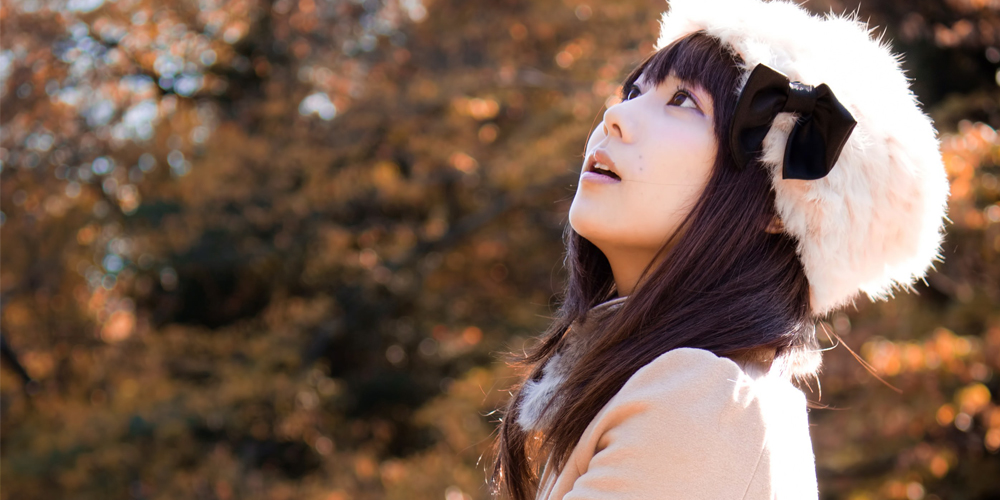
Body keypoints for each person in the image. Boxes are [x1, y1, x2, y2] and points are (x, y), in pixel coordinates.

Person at [489, 0, 950, 498]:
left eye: (683, 100)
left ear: (776, 209)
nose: (615, 115)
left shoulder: (701, 402)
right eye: (634, 92)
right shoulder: (698, 391)